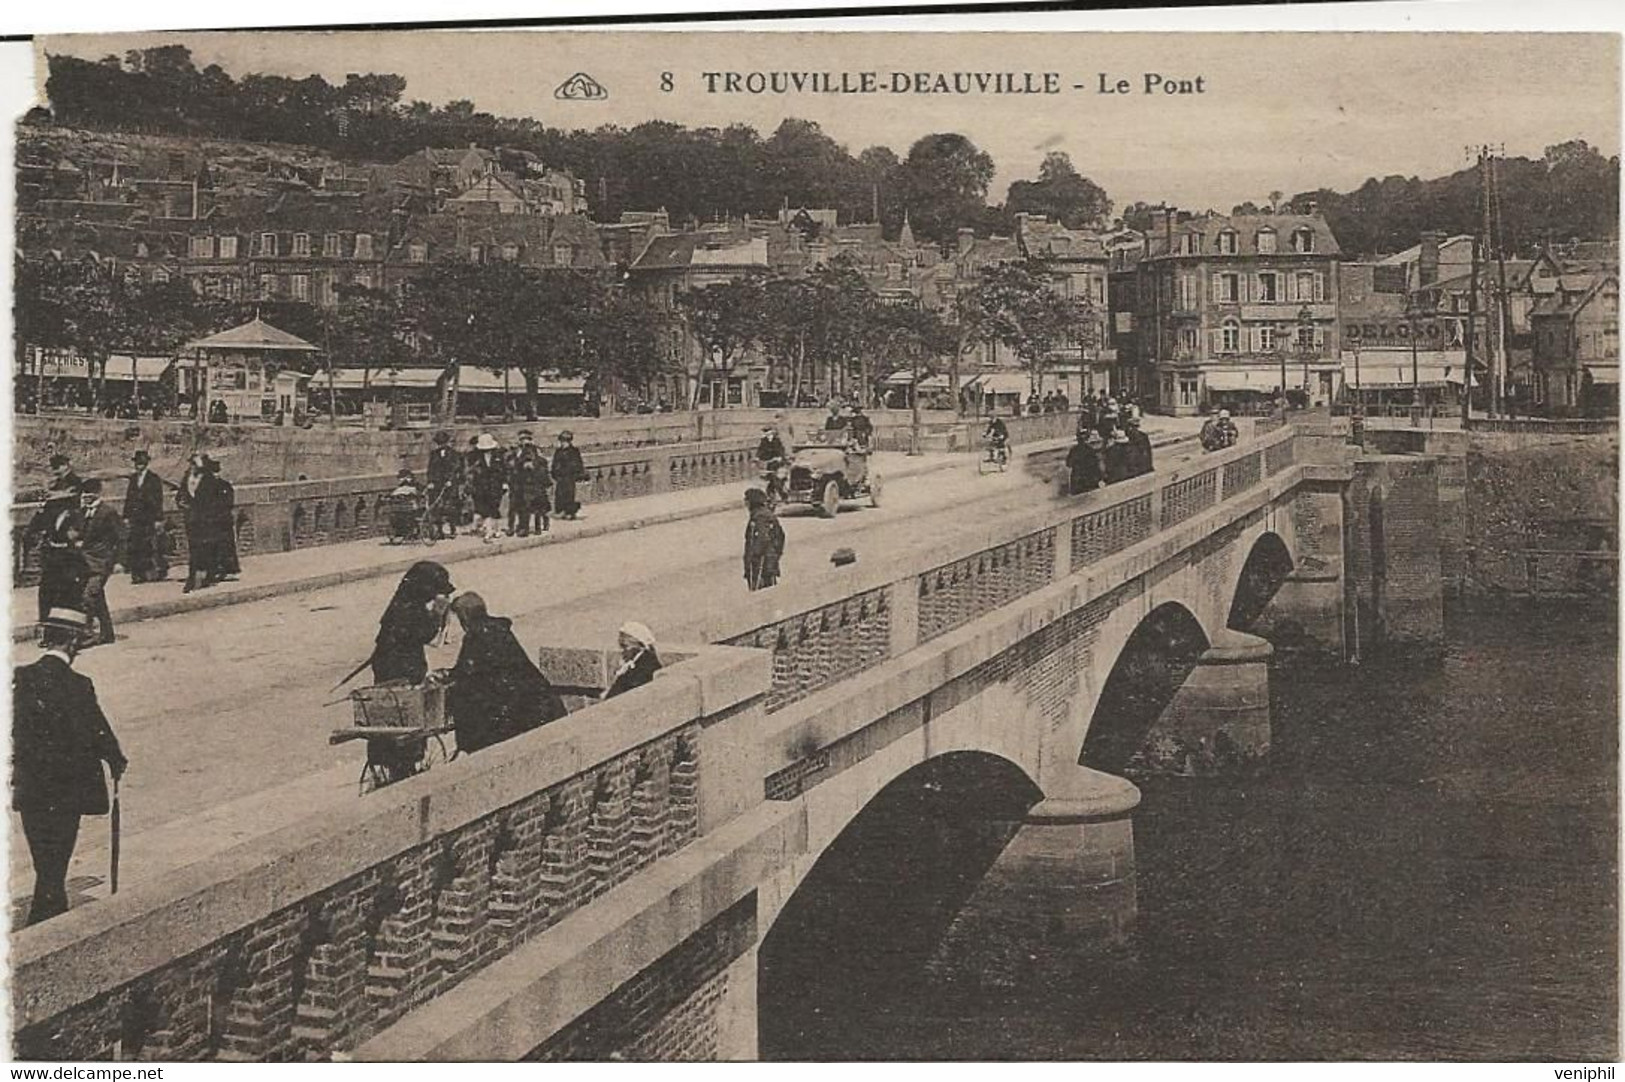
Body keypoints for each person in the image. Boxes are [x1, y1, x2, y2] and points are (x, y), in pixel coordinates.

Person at [12, 607, 127, 926]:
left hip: (31, 785)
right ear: (74, 644)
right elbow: (97, 729)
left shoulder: (21, 677)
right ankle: (50, 914)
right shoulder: (79, 684)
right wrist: (116, 760)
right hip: (67, 788)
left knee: (42, 853)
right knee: (59, 853)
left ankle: (46, 907)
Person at [439, 592, 566, 754]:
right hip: (538, 702)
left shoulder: (477, 635)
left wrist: (448, 678)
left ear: (465, 617)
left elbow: (467, 673)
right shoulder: (498, 629)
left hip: (518, 709)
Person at [369, 561, 454, 686]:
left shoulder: (403, 601)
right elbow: (427, 636)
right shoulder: (410, 609)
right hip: (401, 667)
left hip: (391, 661)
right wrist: (437, 613)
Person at [174, 453, 228, 593]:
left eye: (197, 465)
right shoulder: (187, 478)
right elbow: (180, 495)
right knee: (194, 547)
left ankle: (203, 576)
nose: (194, 467)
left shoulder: (209, 480)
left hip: (206, 519)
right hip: (191, 519)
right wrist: (182, 505)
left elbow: (215, 500)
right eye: (193, 464)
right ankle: (195, 577)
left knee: (205, 546)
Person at [78, 480, 123, 647]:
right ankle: (107, 633)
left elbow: (121, 538)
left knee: (89, 596)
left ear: (97, 494)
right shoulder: (83, 512)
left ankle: (87, 632)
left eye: (89, 493)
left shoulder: (108, 512)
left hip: (102, 562)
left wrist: (119, 562)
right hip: (86, 562)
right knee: (97, 598)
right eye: (84, 493)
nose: (86, 496)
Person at [123, 451, 169, 583]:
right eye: (137, 463)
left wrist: (158, 519)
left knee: (149, 545)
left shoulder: (154, 479)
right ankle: (137, 574)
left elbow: (158, 500)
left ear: (146, 464)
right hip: (135, 518)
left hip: (149, 517)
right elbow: (129, 498)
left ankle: (153, 572)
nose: (139, 466)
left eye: (142, 463)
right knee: (135, 546)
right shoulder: (133, 479)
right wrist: (126, 516)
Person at [603, 622, 662, 699]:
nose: (622, 651)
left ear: (639, 647)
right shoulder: (636, 662)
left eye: (625, 647)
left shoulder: (645, 667)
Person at [508, 431, 551, 536]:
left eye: (526, 440)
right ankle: (517, 527)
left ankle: (532, 527)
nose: (524, 443)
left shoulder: (536, 452)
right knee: (518, 507)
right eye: (522, 440)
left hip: (534, 485)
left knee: (534, 508)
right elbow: (512, 466)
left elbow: (542, 466)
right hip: (520, 484)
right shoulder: (516, 453)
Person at [467, 433, 508, 542]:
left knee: (494, 508)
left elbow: (504, 471)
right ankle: (489, 532)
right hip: (482, 486)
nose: (487, 451)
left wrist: (505, 483)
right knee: (486, 510)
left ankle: (497, 529)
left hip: (496, 486)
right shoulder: (476, 458)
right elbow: (473, 472)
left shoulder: (498, 457)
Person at [743, 488, 786, 591]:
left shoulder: (760, 517)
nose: (745, 503)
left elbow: (761, 540)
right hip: (769, 562)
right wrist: (776, 554)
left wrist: (754, 559)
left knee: (760, 594)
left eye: (746, 500)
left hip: (761, 566)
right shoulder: (766, 514)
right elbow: (781, 536)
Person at [425, 431, 464, 539]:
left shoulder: (454, 454)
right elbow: (431, 469)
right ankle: (439, 530)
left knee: (450, 507)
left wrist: (450, 480)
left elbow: (455, 469)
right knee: (437, 507)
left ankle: (452, 528)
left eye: (442, 443)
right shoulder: (434, 454)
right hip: (437, 484)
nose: (441, 445)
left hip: (450, 485)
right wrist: (431, 482)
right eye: (439, 443)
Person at [207, 458, 240, 580]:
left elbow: (229, 502)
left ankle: (228, 570)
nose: (215, 475)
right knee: (214, 547)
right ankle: (215, 570)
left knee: (226, 546)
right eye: (213, 473)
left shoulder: (225, 485)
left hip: (223, 521)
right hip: (212, 522)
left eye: (217, 472)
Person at [551, 430, 587, 521]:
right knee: (559, 494)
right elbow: (554, 463)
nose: (563, 443)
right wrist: (555, 473)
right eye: (562, 441)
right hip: (561, 477)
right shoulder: (558, 451)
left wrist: (577, 474)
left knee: (569, 494)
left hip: (569, 476)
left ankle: (570, 512)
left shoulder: (573, 451)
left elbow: (578, 463)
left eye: (565, 441)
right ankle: (560, 511)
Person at [1067, 429, 1106, 495]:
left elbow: (1068, 464)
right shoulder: (1090, 451)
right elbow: (1096, 467)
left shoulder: (1073, 450)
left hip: (1078, 480)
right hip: (1088, 480)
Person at [756, 425, 788, 501]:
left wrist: (780, 457)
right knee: (770, 478)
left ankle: (782, 494)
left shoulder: (777, 440)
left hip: (777, 462)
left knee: (777, 478)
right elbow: (760, 449)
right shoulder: (763, 440)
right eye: (765, 432)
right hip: (769, 462)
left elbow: (781, 449)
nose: (767, 433)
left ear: (772, 432)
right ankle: (771, 494)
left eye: (768, 431)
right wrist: (757, 456)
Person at [1123, 414, 1155, 478]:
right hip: (1142, 467)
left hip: (1138, 468)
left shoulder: (1133, 436)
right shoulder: (1143, 435)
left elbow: (1146, 452)